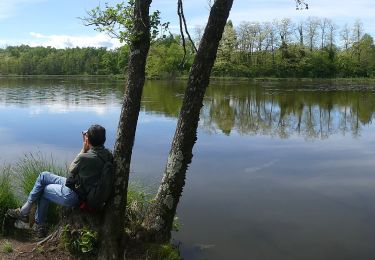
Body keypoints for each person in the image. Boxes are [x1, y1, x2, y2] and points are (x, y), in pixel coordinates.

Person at [7, 124, 113, 237]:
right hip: (81, 188)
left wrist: (84, 149)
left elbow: (71, 169)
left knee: (43, 191)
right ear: (104, 139)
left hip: (74, 195)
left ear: (88, 140)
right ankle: (25, 211)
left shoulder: (85, 157)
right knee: (43, 176)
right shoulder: (108, 154)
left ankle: (39, 225)